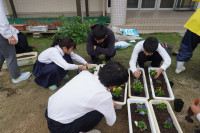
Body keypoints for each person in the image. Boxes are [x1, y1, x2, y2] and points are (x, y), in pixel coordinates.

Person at [45, 61, 128, 133]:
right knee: (99, 112)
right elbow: (111, 121)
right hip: (62, 129)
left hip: (49, 112)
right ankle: (81, 131)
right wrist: (111, 105)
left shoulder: (85, 74)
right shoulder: (104, 96)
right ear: (114, 86)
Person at [0, 0, 31, 83]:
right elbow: (1, 18)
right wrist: (9, 35)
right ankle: (16, 76)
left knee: (1, 55)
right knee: (10, 55)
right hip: (1, 34)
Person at [175, 8, 200, 74]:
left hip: (196, 24)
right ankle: (179, 68)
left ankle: (178, 69)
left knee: (186, 45)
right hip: (196, 24)